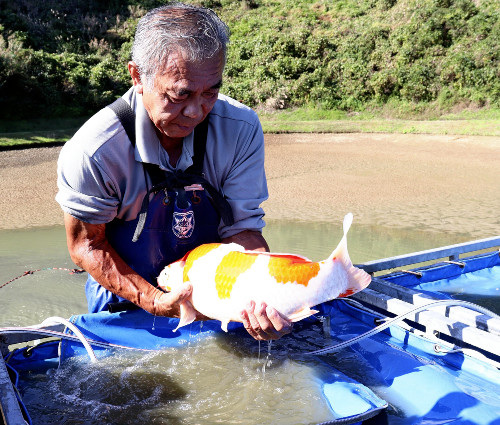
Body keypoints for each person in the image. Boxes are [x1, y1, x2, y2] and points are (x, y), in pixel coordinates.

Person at [56, 3, 292, 341]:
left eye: (211, 91)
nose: (196, 111)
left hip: (212, 290)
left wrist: (263, 296)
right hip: (123, 300)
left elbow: (243, 230)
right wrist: (154, 300)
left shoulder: (240, 129)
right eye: (180, 94)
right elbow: (87, 245)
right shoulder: (94, 150)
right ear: (137, 76)